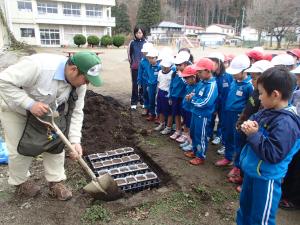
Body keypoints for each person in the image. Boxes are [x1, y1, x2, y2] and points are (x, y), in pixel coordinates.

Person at [0, 51, 102, 200]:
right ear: (73, 70)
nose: (87, 84)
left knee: (55, 144)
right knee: (18, 148)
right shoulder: (38, 66)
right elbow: (3, 81)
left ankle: (56, 182)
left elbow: (76, 112)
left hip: (49, 113)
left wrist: (75, 141)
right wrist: (29, 103)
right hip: (17, 110)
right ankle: (20, 182)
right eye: (86, 79)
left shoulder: (80, 85)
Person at [237, 67, 300, 225]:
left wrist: (253, 134)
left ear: (275, 95)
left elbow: (273, 154)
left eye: (261, 93)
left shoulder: (287, 123)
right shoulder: (268, 110)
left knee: (261, 218)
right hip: (253, 171)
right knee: (244, 209)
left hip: (266, 178)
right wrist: (246, 125)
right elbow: (254, 120)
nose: (258, 97)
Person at [215, 55, 253, 172]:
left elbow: (250, 104)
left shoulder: (249, 86)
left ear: (244, 71)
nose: (233, 74)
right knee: (228, 136)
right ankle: (228, 157)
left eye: (236, 72)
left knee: (238, 140)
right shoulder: (234, 81)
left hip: (238, 116)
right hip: (228, 113)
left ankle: (237, 166)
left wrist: (243, 117)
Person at [184, 58, 218, 165]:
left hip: (203, 115)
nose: (198, 74)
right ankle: (195, 150)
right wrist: (192, 95)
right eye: (197, 72)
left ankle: (200, 156)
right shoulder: (202, 82)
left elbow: (206, 102)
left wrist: (192, 99)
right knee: (193, 132)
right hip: (195, 112)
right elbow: (196, 92)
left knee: (201, 135)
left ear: (208, 71)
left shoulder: (211, 85)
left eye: (200, 72)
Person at [280, 65, 300, 209]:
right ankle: (286, 192)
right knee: (291, 165)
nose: (297, 78)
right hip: (294, 134)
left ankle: (293, 199)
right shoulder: (296, 93)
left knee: (297, 169)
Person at [168, 50, 190, 140]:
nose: (177, 67)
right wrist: (170, 96)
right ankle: (178, 130)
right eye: (176, 65)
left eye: (180, 65)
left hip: (184, 98)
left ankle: (185, 133)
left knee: (184, 116)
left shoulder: (189, 74)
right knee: (176, 114)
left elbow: (189, 85)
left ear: (185, 64)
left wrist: (182, 77)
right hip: (175, 97)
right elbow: (171, 85)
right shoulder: (174, 73)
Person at [179, 65, 199, 152]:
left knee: (192, 128)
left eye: (187, 78)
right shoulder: (188, 85)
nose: (185, 80)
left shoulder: (198, 87)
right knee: (187, 125)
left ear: (194, 77)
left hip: (192, 110)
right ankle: (188, 140)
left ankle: (192, 143)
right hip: (186, 108)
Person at [128, 26, 147, 110]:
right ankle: (134, 102)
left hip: (144, 68)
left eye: (140, 32)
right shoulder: (132, 43)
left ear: (143, 33)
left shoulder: (146, 42)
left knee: (143, 85)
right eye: (137, 32)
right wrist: (132, 63)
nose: (138, 34)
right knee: (135, 85)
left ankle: (143, 101)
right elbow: (129, 55)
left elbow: (149, 55)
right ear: (135, 33)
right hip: (135, 67)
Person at [154, 56, 174, 133]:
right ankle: (161, 124)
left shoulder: (172, 74)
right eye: (163, 66)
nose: (164, 68)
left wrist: (170, 96)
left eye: (166, 66)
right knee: (160, 109)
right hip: (160, 92)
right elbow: (158, 82)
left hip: (167, 94)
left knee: (168, 111)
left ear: (170, 66)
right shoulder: (159, 72)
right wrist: (157, 92)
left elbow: (172, 86)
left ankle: (168, 127)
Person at [137, 42, 153, 116]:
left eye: (145, 52)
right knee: (145, 95)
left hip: (153, 82)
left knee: (152, 96)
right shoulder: (142, 61)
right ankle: (146, 108)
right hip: (144, 81)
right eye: (144, 52)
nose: (144, 53)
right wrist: (139, 80)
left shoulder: (155, 60)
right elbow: (140, 71)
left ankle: (152, 110)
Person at [145, 48, 160, 121]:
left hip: (157, 86)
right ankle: (152, 114)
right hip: (150, 86)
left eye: (152, 58)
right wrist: (148, 84)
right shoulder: (149, 66)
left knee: (157, 101)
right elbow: (147, 75)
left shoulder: (160, 67)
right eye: (149, 58)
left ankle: (158, 116)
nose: (150, 60)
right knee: (151, 100)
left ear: (156, 58)